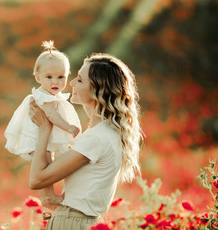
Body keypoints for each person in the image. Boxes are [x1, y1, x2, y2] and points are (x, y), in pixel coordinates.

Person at [28, 53, 143, 230]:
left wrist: (44, 129)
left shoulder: (97, 137)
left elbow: (36, 180)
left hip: (73, 223)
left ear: (98, 90)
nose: (72, 83)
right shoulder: (100, 133)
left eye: (80, 80)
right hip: (76, 220)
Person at [4, 40, 82, 209]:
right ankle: (49, 197)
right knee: (44, 163)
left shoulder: (49, 94)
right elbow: (51, 115)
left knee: (47, 162)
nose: (56, 82)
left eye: (61, 77)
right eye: (49, 77)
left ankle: (49, 196)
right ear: (38, 77)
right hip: (36, 137)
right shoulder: (44, 97)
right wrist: (68, 127)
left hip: (42, 137)